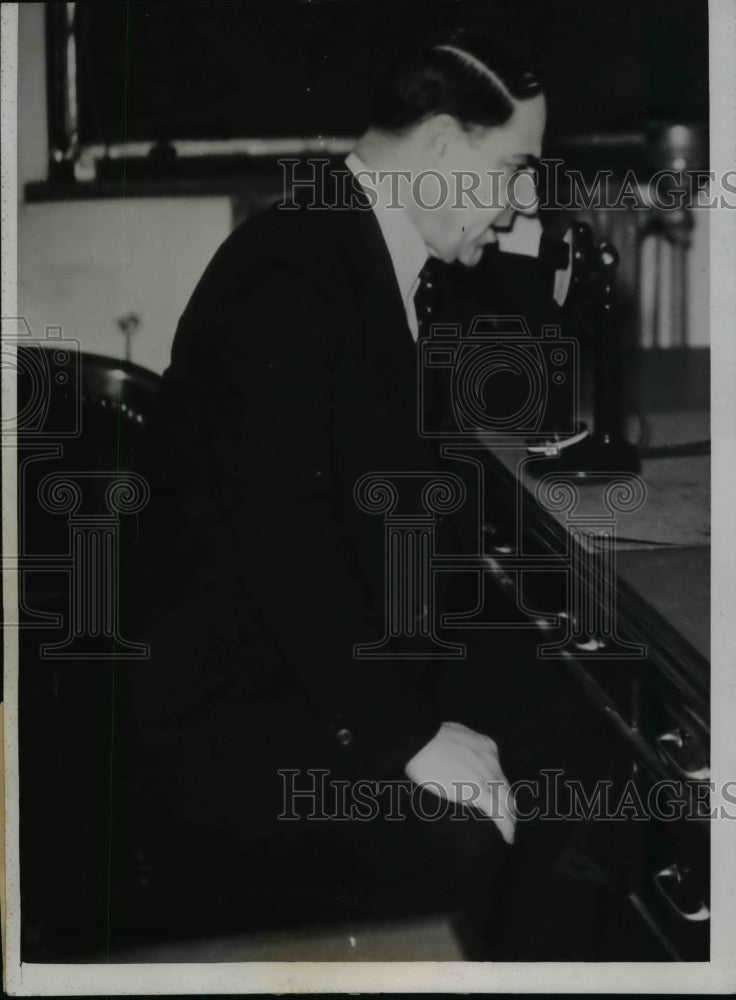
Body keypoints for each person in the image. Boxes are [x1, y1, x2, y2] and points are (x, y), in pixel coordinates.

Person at [115, 33, 611, 959]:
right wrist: (408, 737)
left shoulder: (367, 237)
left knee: (586, 721)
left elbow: (529, 381)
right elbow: (283, 543)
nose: (522, 197)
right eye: (513, 169)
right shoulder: (290, 272)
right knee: (529, 798)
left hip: (316, 655)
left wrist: (525, 231)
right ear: (436, 148)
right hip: (238, 719)